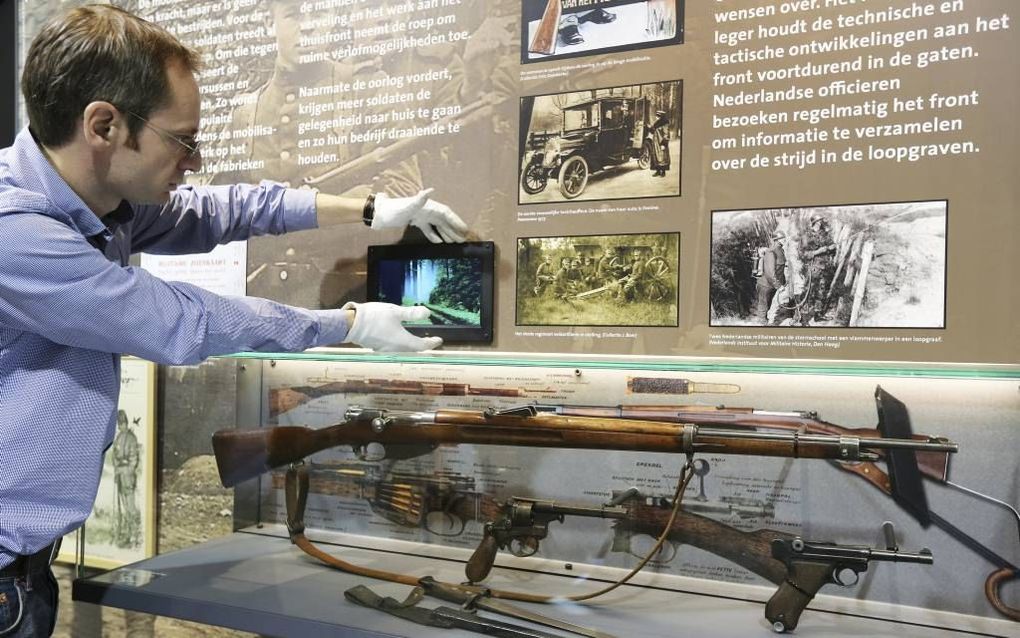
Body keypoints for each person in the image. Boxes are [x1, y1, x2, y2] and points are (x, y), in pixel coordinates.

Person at [0, 6, 468, 636]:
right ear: (104, 126)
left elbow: (222, 209)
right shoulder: (16, 229)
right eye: (182, 141)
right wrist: (347, 323)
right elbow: (177, 322)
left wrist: (369, 208)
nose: (193, 161)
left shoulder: (97, 198)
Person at [111, 410, 141, 548]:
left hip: (128, 478)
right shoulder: (118, 438)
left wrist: (125, 470)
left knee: (131, 508)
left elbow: (134, 460)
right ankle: (128, 535)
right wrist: (117, 468)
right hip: (120, 476)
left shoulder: (131, 438)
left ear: (126, 423)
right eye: (119, 424)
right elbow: (114, 455)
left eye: (122, 423)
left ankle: (134, 535)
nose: (120, 426)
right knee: (122, 507)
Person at [754, 230, 787, 325]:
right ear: (777, 240)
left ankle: (765, 322)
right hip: (765, 285)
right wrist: (779, 286)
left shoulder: (780, 250)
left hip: (771, 285)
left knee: (768, 305)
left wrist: (782, 282)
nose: (785, 240)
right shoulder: (771, 252)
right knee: (763, 306)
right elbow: (770, 273)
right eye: (782, 238)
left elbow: (779, 269)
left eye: (784, 238)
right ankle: (761, 325)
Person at [648, 110, 671, 177]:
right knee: (656, 156)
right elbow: (652, 131)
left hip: (661, 143)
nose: (656, 117)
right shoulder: (657, 123)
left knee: (662, 157)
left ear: (661, 117)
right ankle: (658, 171)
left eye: (657, 116)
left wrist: (664, 144)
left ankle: (663, 172)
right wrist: (649, 127)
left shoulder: (665, 123)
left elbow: (666, 134)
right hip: (656, 143)